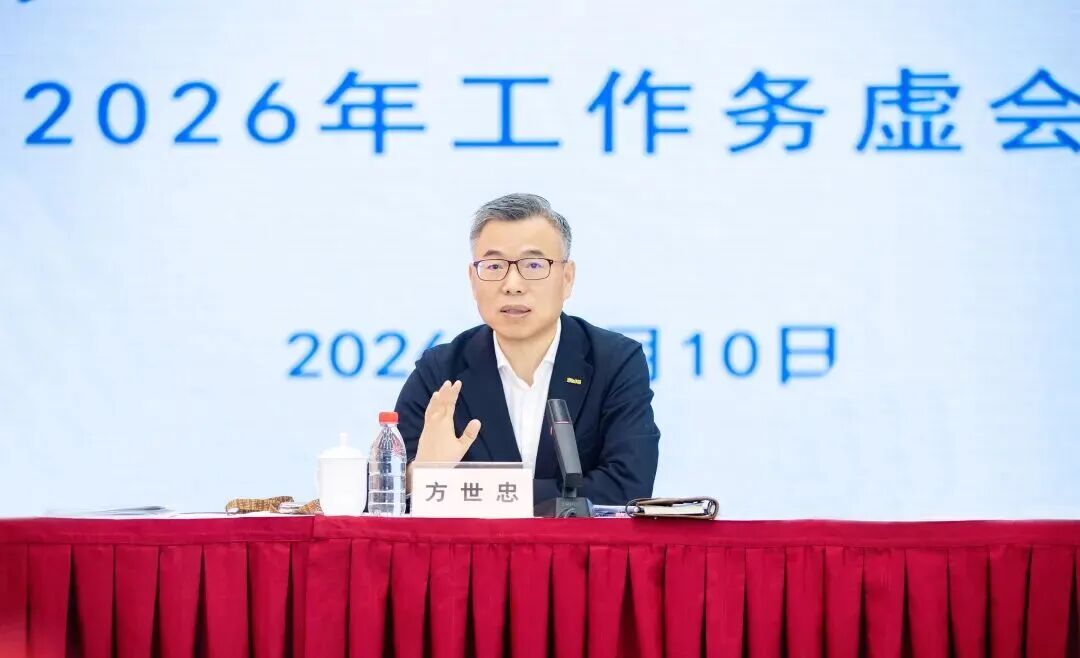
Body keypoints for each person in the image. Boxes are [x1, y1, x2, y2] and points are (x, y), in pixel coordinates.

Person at [394, 193, 660, 505]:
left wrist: (487, 493)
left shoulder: (614, 362)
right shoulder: (440, 371)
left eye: (533, 265)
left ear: (567, 278)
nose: (512, 284)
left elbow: (627, 486)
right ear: (473, 280)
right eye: (494, 266)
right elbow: (383, 496)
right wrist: (422, 473)